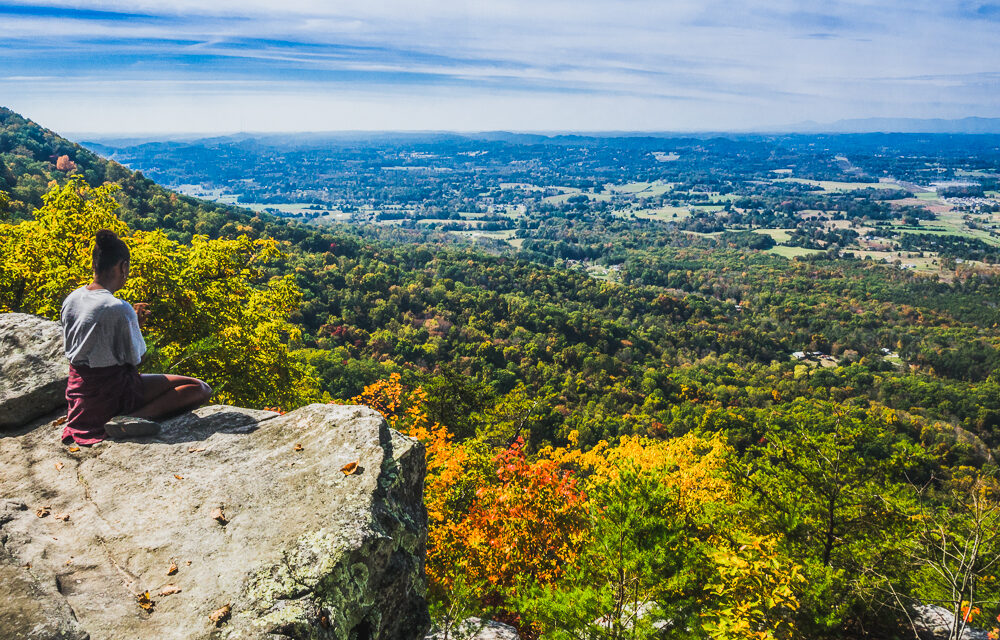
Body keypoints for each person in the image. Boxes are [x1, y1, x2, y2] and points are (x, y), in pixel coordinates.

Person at [60, 229, 212, 445]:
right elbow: (136, 359)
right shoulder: (118, 308)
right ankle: (132, 418)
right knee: (199, 388)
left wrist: (130, 322)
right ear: (123, 267)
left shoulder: (73, 298)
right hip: (113, 393)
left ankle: (127, 418)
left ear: (94, 264)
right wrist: (135, 324)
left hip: (80, 394)